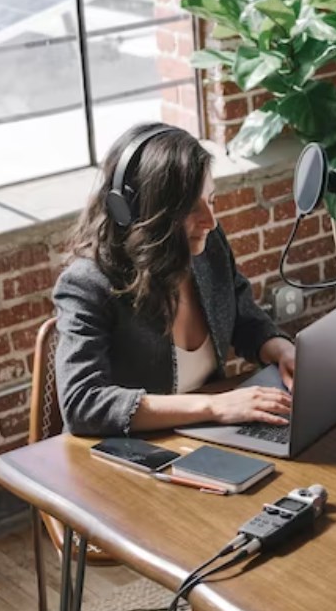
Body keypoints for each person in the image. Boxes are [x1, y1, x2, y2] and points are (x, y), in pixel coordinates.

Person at [53, 122, 295, 435]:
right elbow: (82, 403)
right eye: (190, 209)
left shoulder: (207, 246)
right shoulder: (87, 283)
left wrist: (282, 351)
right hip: (131, 454)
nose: (210, 221)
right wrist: (214, 406)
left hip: (205, 438)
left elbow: (243, 317)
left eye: (212, 200)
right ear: (138, 211)